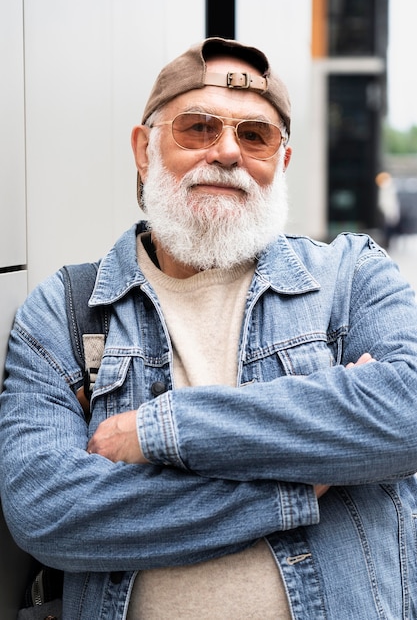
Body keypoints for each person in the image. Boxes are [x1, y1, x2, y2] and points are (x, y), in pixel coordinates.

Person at [1, 37, 417, 620]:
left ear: (282, 163)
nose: (226, 153)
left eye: (256, 136)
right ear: (144, 150)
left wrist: (161, 430)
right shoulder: (67, 313)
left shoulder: (349, 278)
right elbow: (46, 511)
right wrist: (291, 486)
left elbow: (407, 415)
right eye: (198, 128)